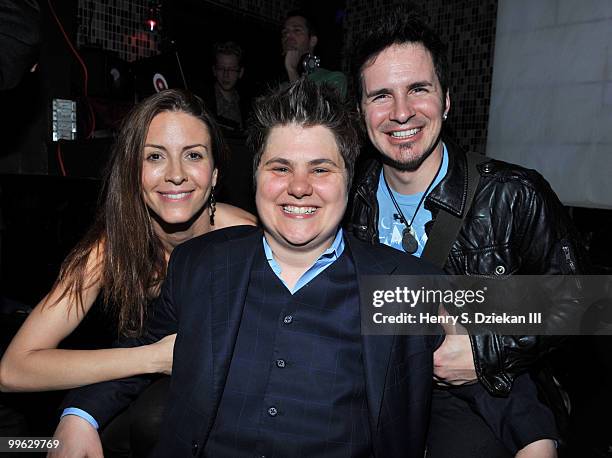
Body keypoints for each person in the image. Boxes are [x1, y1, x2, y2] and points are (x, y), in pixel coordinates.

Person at [51, 78, 442, 458]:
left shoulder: (398, 283)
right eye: (280, 168)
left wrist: (482, 355)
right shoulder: (201, 264)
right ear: (254, 177)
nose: (300, 187)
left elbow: (499, 327)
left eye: (321, 169)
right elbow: (139, 351)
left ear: (348, 179)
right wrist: (78, 416)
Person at [346, 12, 587, 458]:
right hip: (376, 399)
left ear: (447, 100)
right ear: (362, 113)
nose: (401, 112)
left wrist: (483, 350)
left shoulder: (513, 194)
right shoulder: (342, 200)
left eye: (418, 89)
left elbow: (578, 300)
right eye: (382, 95)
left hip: (487, 402)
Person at [0, 89, 256, 451]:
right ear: (133, 171)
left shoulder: (244, 240)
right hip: (124, 390)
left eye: (193, 155)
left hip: (206, 405)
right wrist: (80, 413)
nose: (176, 175)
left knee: (152, 420)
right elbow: (13, 369)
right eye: (155, 156)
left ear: (214, 175)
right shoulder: (110, 248)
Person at [281, 10, 347, 98]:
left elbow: (308, 110)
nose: (288, 36)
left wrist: (292, 70)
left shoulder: (334, 79)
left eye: (297, 30)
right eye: (285, 32)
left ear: (312, 41)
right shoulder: (279, 86)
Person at [205, 41, 247, 131]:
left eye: (231, 69)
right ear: (214, 70)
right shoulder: (203, 101)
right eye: (221, 68)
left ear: (240, 72)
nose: (226, 75)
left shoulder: (248, 105)